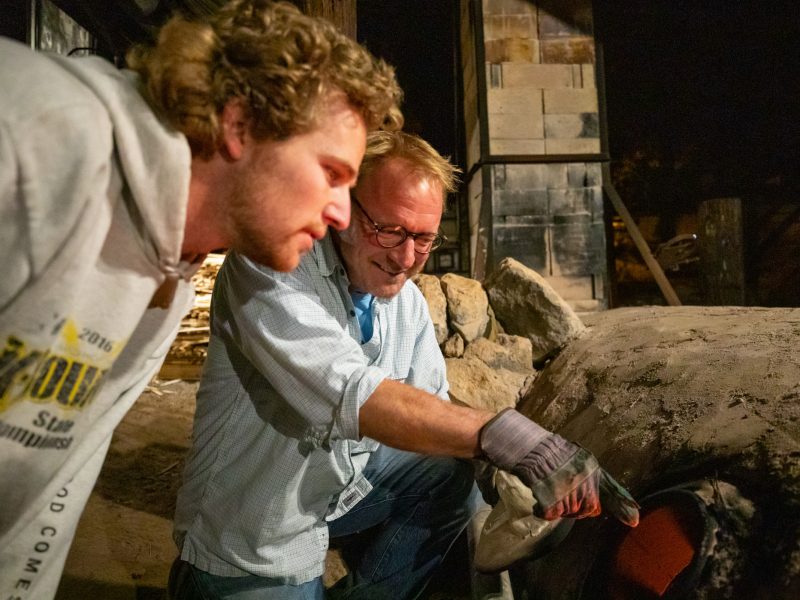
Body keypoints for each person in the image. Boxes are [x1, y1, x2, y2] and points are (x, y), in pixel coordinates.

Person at [0, 1, 402, 597]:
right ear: (239, 125)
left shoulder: (168, 276)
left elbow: (39, 492)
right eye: (330, 172)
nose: (343, 212)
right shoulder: (38, 133)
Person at [170, 130, 639, 600]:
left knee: (446, 475)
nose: (405, 257)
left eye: (423, 238)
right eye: (389, 230)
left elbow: (429, 416)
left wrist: (501, 472)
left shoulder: (405, 303)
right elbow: (352, 394)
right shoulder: (271, 266)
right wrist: (512, 437)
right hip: (250, 533)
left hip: (329, 495)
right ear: (343, 210)